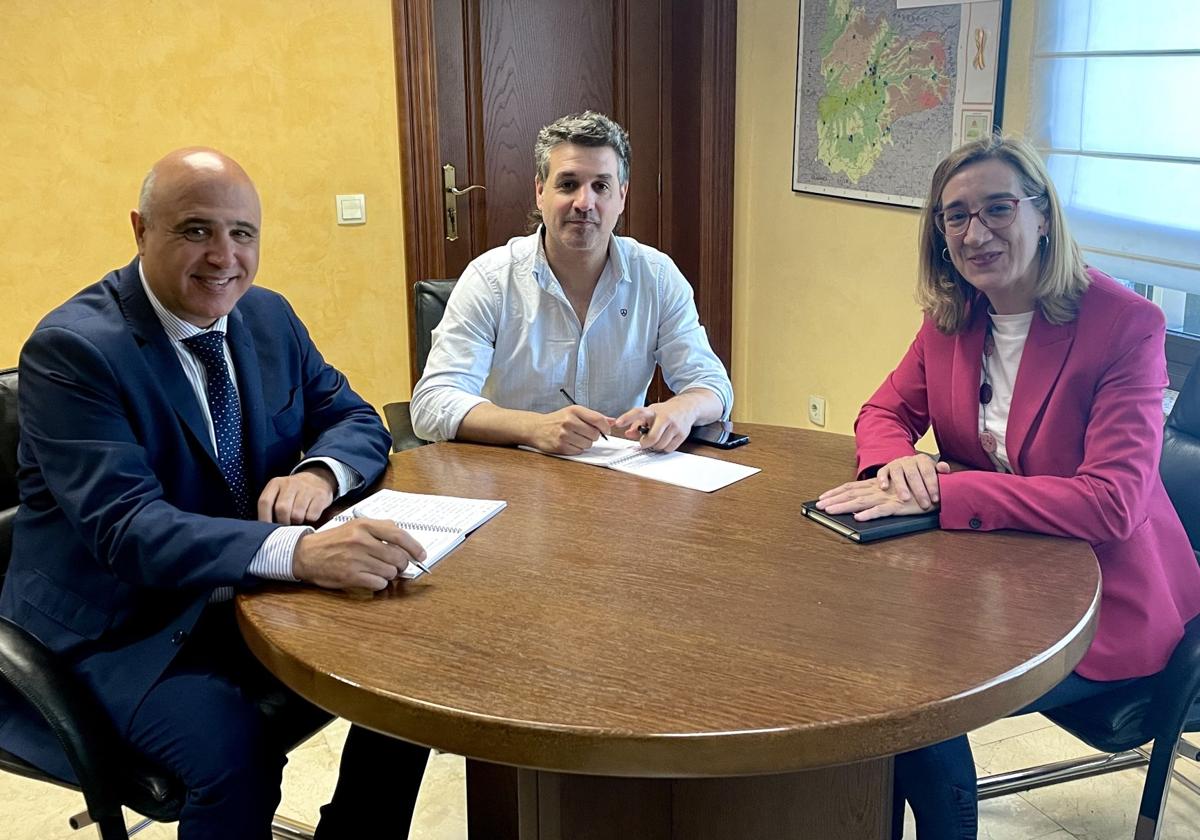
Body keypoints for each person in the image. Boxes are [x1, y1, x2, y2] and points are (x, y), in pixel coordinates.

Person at [0, 148, 431, 838]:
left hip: (240, 593)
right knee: (234, 757)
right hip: (119, 624)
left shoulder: (267, 318)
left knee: (417, 680)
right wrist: (300, 551)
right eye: (195, 230)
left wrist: (318, 473)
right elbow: (130, 531)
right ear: (141, 231)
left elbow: (352, 418)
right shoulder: (73, 352)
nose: (224, 256)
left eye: (243, 233)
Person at [815, 134, 1200, 839]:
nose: (975, 232)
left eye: (997, 208)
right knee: (852, 659)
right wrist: (895, 461)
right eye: (955, 216)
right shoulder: (955, 314)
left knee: (915, 704)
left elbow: (1111, 502)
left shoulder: (1124, 326)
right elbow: (882, 412)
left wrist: (947, 490)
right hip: (994, 577)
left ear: (1043, 215)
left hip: (1104, 600)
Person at [410, 111, 733, 454]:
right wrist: (533, 428)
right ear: (540, 192)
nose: (584, 203)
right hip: (516, 470)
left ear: (621, 196)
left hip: (623, 477)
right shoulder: (490, 279)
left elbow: (712, 385)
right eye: (567, 184)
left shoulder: (657, 276)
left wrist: (680, 409)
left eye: (601, 186)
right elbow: (431, 404)